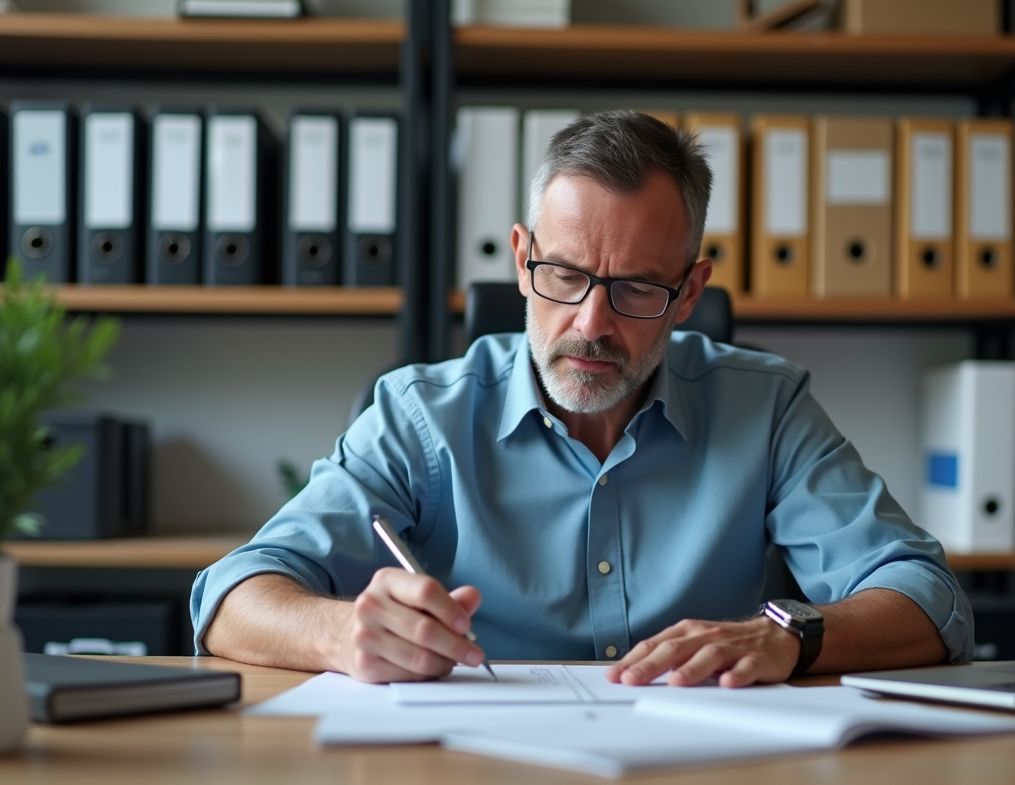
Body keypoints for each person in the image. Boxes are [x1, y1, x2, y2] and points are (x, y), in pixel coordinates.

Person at [192, 110, 972, 688]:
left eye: (636, 287)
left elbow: (930, 598)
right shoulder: (420, 416)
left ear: (689, 292)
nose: (591, 324)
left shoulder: (766, 410)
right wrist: (340, 633)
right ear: (521, 258)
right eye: (564, 275)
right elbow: (231, 598)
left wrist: (789, 634)